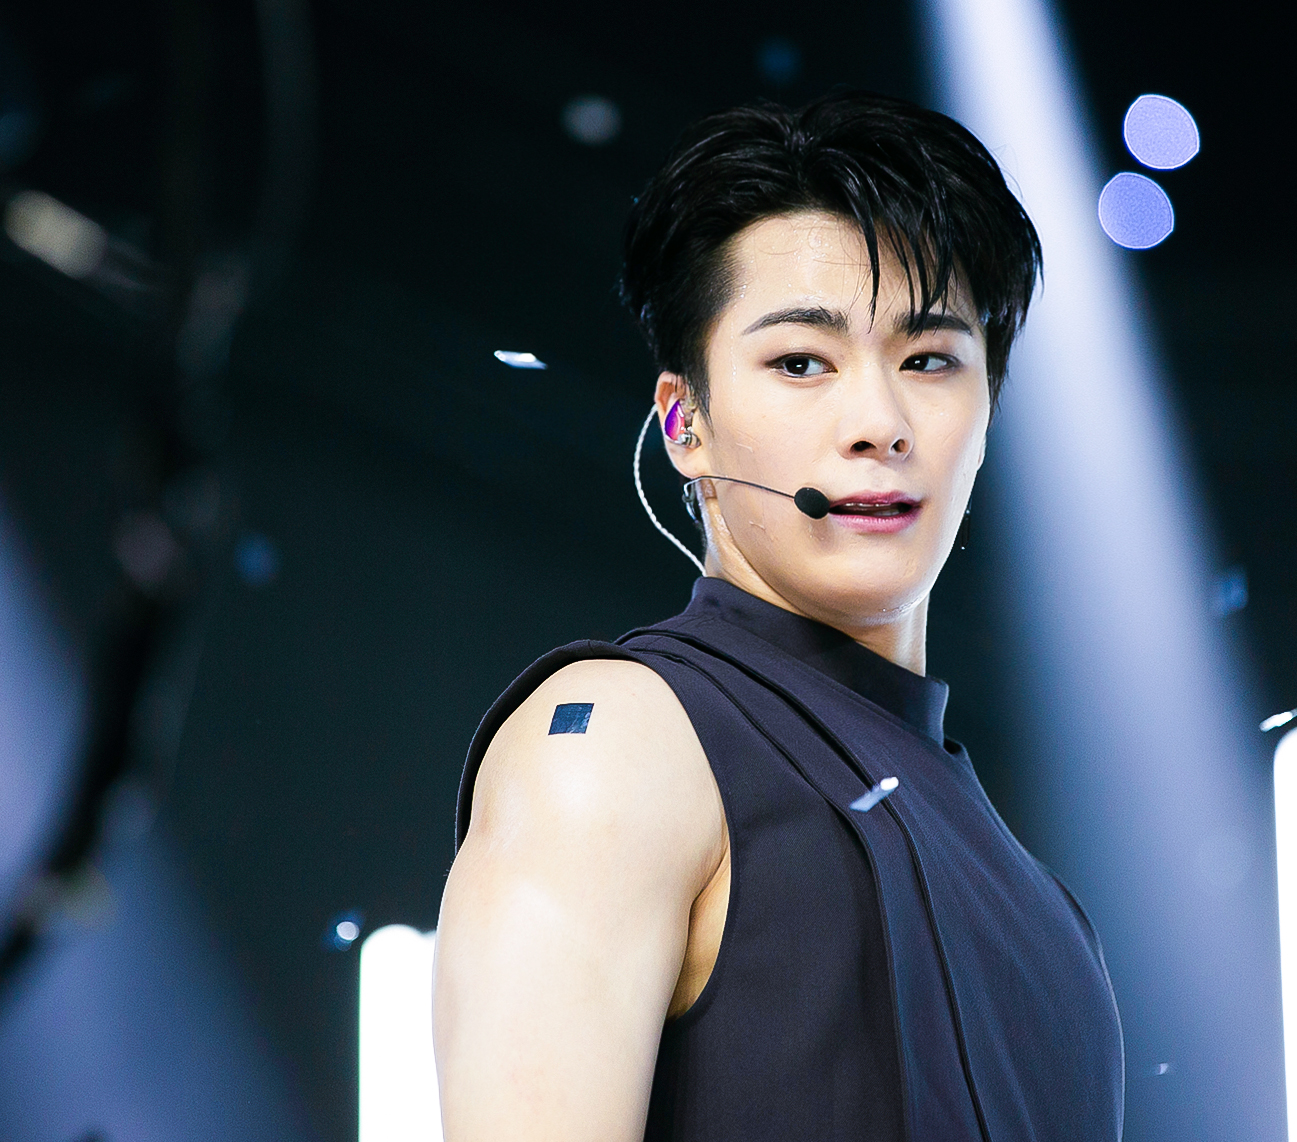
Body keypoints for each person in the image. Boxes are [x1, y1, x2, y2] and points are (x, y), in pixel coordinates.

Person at [433, 91, 1123, 1142]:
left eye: (930, 360)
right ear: (685, 422)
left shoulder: (1041, 899)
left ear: (988, 407)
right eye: (802, 361)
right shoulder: (618, 741)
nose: (879, 423)